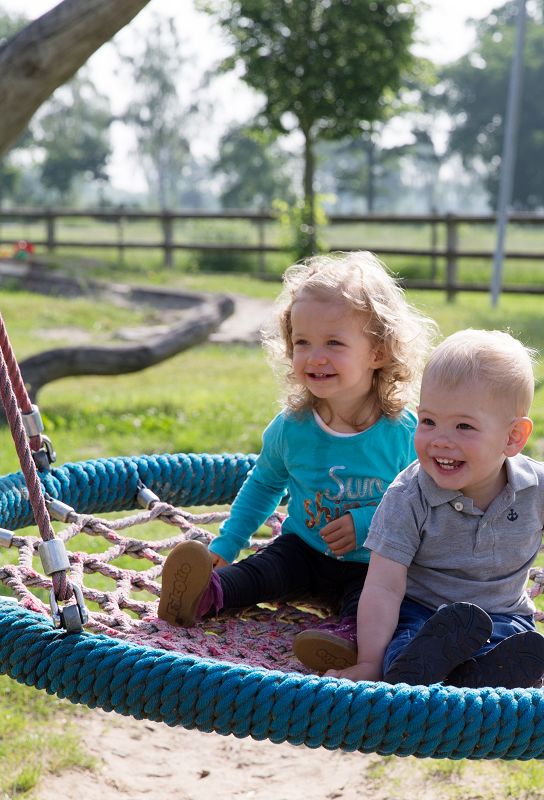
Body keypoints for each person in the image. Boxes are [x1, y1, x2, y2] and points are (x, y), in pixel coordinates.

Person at [157, 251, 436, 674]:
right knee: (262, 571)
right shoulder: (293, 427)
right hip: (304, 548)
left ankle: (346, 642)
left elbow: (425, 498)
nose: (314, 356)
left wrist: (367, 524)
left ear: (377, 353)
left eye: (334, 343)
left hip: (374, 565)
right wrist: (228, 544)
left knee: (377, 604)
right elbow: (263, 484)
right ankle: (203, 595)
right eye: (302, 342)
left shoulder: (401, 432)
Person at [327, 329, 544, 689]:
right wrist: (369, 662)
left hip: (503, 612)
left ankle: (478, 672)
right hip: (422, 610)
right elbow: (384, 585)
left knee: (524, 645)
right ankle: (415, 667)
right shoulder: (409, 494)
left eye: (464, 426)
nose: (440, 439)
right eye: (428, 421)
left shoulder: (539, 487)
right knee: (407, 639)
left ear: (513, 437)